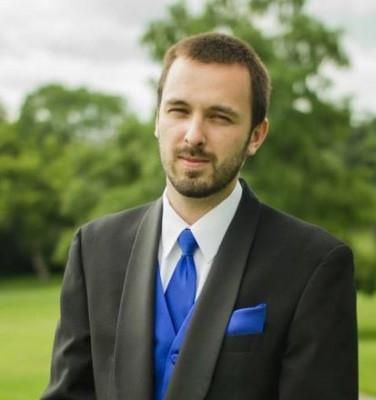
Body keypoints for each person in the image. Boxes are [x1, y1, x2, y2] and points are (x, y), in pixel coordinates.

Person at [41, 32, 358, 400]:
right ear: (157, 119)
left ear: (256, 135)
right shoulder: (94, 248)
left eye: (219, 117)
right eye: (178, 110)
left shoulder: (314, 264)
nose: (193, 135)